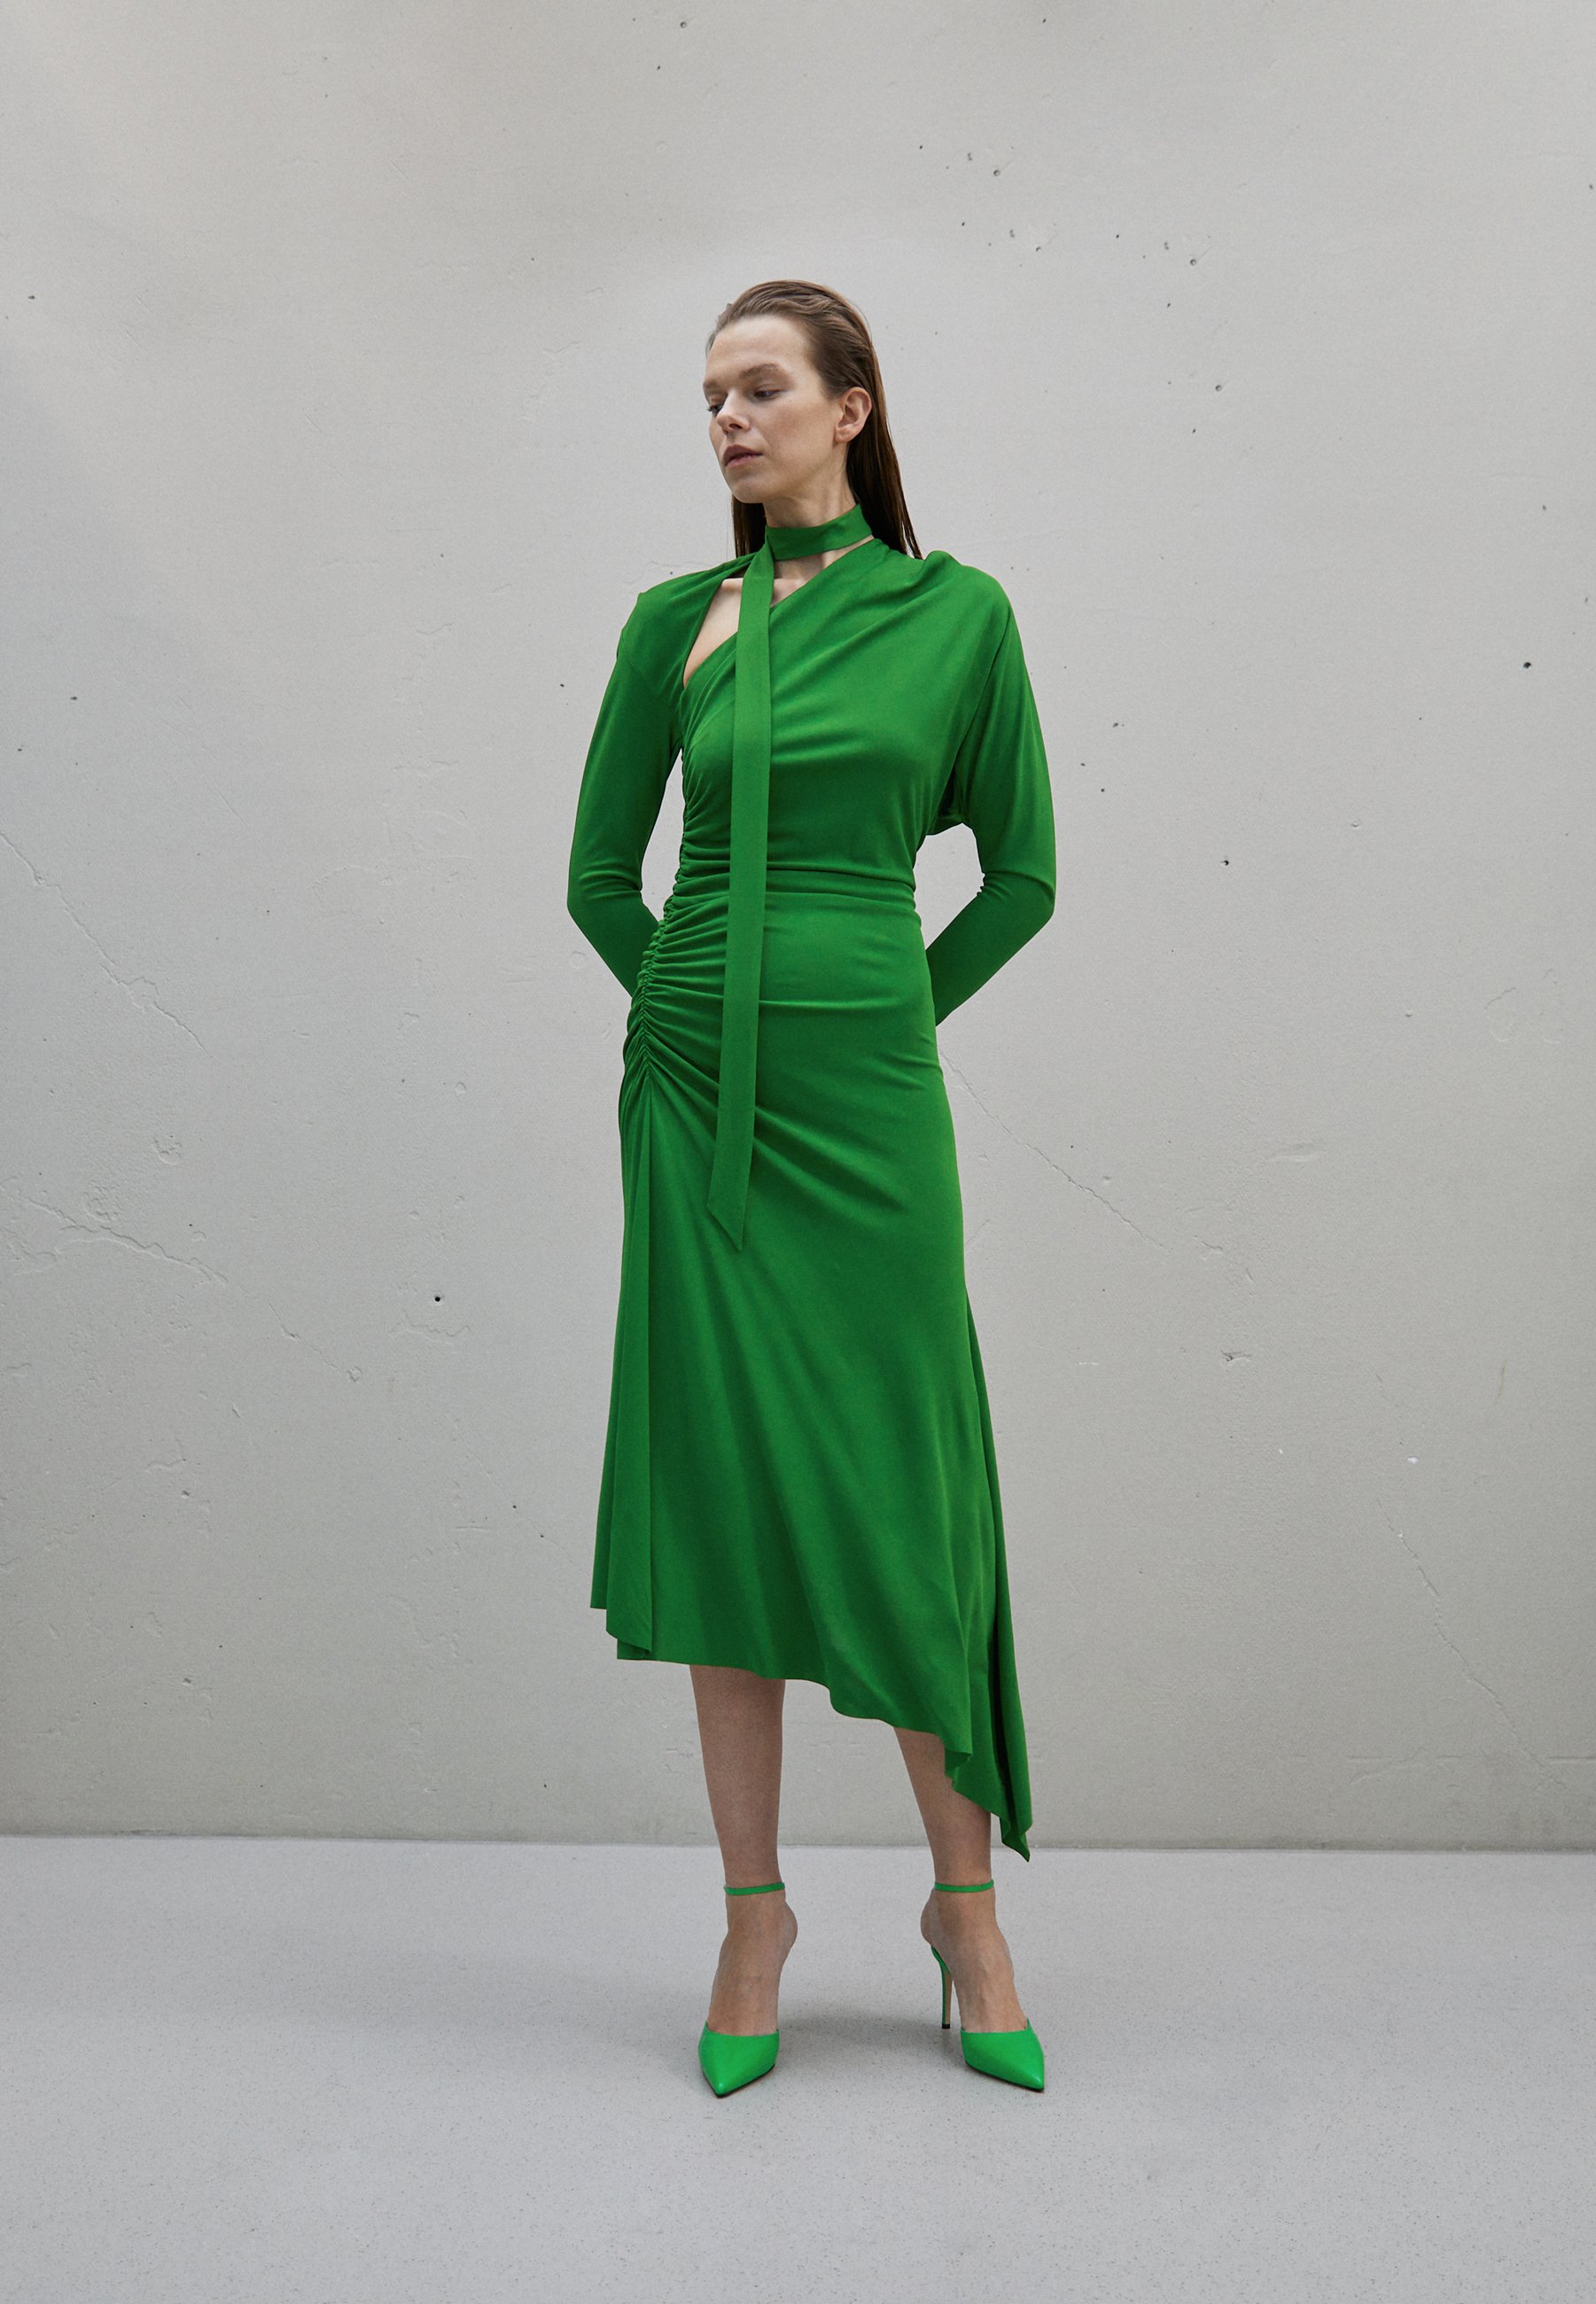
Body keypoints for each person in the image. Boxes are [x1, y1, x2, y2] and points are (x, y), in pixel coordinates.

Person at [566, 279, 1057, 2096]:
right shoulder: (669, 625)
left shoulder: (957, 617)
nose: (726, 417)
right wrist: (690, 1026)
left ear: (851, 409)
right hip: (698, 1107)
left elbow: (1023, 874)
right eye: (708, 392)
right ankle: (752, 1914)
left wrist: (880, 1016)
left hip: (868, 1101)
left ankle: (964, 1905)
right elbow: (597, 880)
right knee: (726, 1494)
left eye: (760, 387)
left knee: (902, 1484)